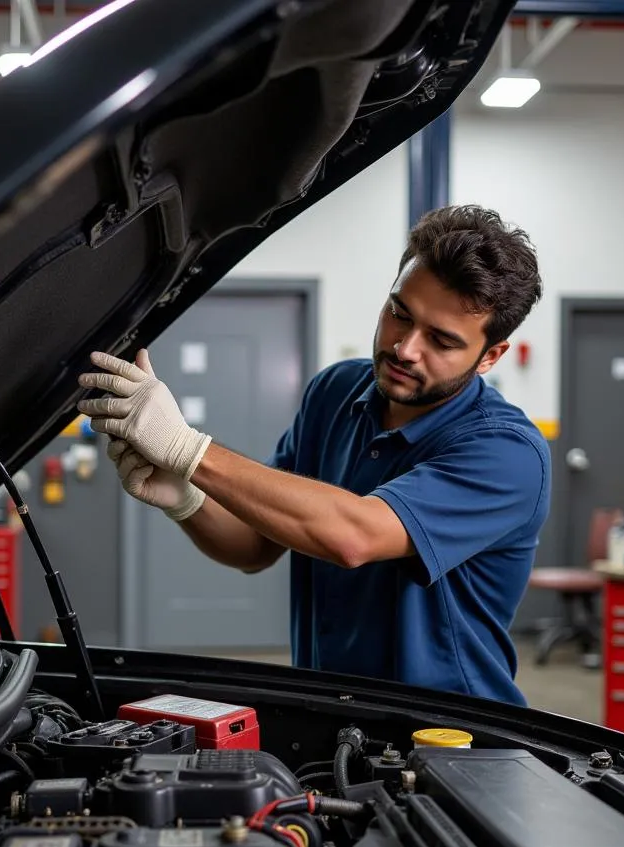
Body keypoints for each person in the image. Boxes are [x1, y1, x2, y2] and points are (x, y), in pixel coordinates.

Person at [77, 205, 551, 706]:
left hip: (450, 733)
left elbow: (354, 536)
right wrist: (186, 499)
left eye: (441, 340)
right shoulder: (336, 391)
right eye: (400, 313)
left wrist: (187, 449)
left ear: (490, 356)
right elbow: (254, 547)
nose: (406, 347)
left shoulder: (507, 452)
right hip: (328, 711)